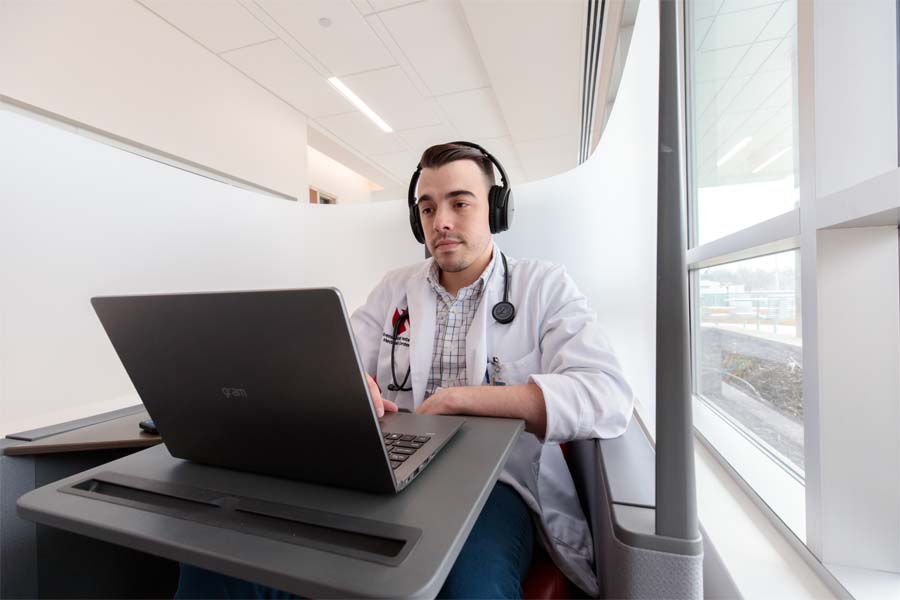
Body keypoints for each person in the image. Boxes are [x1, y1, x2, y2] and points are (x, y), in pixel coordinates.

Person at [175, 142, 633, 599]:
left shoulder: (544, 285)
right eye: (428, 208)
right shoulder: (395, 288)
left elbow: (606, 394)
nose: (442, 222)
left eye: (459, 203)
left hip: (495, 483)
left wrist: (462, 399)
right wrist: (353, 388)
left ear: (495, 209)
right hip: (388, 466)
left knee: (473, 591)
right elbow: (337, 359)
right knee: (226, 559)